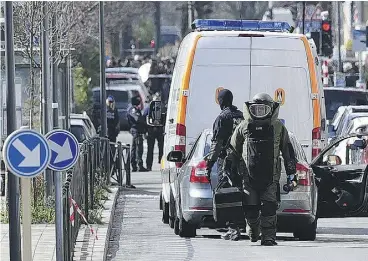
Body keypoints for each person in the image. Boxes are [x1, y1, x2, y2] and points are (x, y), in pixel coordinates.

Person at [226, 93, 297, 246]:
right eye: (256, 109)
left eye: (263, 109)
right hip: (248, 178)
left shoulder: (278, 127)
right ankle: (253, 231)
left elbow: (288, 152)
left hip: (270, 178)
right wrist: (229, 166)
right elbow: (233, 149)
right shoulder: (243, 126)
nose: (259, 113)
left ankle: (269, 237)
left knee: (269, 208)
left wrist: (292, 172)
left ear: (271, 109)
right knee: (250, 209)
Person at [205, 89, 244, 241]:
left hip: (227, 163)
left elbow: (217, 145)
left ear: (221, 101)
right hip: (244, 162)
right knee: (242, 194)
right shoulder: (241, 115)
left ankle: (233, 229)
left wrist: (209, 164)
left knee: (228, 195)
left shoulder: (222, 118)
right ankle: (244, 226)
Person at [142, 93, 164, 171]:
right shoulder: (151, 107)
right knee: (154, 149)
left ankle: (155, 165)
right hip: (153, 130)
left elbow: (143, 118)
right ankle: (151, 165)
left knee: (159, 149)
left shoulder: (151, 107)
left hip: (155, 130)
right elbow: (144, 118)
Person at [127, 95, 148, 172]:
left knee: (134, 148)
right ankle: (139, 165)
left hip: (135, 130)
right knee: (138, 149)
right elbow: (138, 118)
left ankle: (134, 165)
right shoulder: (133, 109)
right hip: (136, 130)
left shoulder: (132, 109)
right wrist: (144, 122)